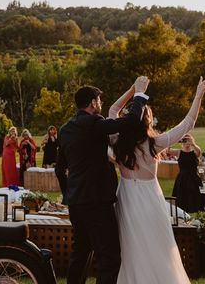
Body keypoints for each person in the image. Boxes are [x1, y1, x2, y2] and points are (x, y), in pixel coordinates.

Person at [111, 76, 205, 284]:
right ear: (148, 120)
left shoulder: (117, 140)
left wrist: (133, 90)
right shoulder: (155, 143)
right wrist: (198, 95)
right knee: (158, 247)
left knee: (131, 249)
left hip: (127, 198)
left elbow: (112, 110)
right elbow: (188, 123)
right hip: (149, 199)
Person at [58, 76, 150, 284]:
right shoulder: (94, 123)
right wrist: (139, 94)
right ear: (93, 103)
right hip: (97, 202)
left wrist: (68, 194)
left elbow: (58, 168)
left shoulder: (65, 129)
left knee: (80, 253)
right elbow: (130, 121)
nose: (100, 104)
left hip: (76, 203)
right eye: (99, 101)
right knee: (109, 257)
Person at [169, 133, 205, 213]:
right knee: (182, 198)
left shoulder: (195, 151)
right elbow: (167, 150)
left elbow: (199, 151)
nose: (186, 142)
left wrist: (193, 143)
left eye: (188, 140)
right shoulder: (179, 152)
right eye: (184, 140)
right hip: (182, 178)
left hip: (194, 177)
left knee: (195, 197)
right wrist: (176, 140)